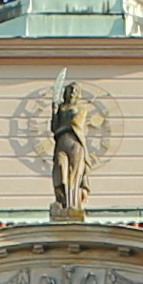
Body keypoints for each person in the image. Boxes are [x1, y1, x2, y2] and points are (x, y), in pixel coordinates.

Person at [50, 84, 93, 212]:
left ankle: (72, 204)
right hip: (61, 142)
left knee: (74, 173)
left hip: (75, 142)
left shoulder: (82, 108)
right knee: (60, 166)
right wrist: (54, 112)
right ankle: (62, 198)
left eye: (75, 90)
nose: (72, 92)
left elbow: (76, 123)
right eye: (70, 90)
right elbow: (54, 128)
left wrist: (62, 127)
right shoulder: (61, 108)